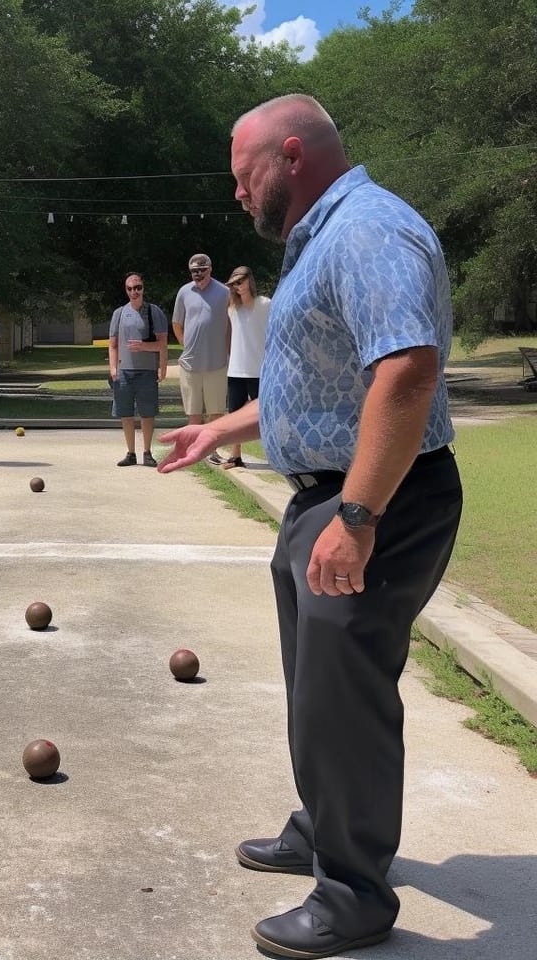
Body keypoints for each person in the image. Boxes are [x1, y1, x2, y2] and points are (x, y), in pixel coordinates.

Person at [159, 94, 462, 959]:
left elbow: (405, 371)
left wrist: (359, 514)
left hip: (379, 501)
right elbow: (323, 386)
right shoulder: (324, 237)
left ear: (291, 155)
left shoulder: (369, 227)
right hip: (329, 499)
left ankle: (356, 894)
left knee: (348, 696)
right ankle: (322, 830)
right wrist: (222, 427)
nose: (238, 193)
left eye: (243, 173)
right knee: (316, 690)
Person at [108, 272, 168, 466]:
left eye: (138, 288)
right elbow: (113, 344)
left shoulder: (154, 312)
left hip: (147, 371)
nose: (134, 292)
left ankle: (147, 452)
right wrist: (113, 368)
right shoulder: (119, 313)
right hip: (124, 371)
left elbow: (162, 344)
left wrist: (161, 367)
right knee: (125, 413)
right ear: (126, 290)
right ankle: (130, 453)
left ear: (143, 288)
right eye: (130, 288)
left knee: (147, 413)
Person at [171, 253, 231, 429]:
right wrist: (185, 344)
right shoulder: (184, 292)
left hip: (217, 363)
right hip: (190, 365)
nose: (198, 275)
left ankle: (213, 452)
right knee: (193, 414)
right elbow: (176, 323)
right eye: (194, 271)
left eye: (202, 270)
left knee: (217, 414)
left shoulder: (225, 292)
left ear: (210, 269)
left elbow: (232, 323)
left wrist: (230, 351)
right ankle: (194, 452)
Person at [221, 265, 271, 469]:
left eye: (240, 282)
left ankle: (275, 456)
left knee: (265, 415)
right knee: (234, 414)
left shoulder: (265, 304)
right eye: (234, 284)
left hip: (259, 369)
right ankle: (235, 455)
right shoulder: (232, 309)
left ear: (250, 280)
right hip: (236, 370)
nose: (238, 287)